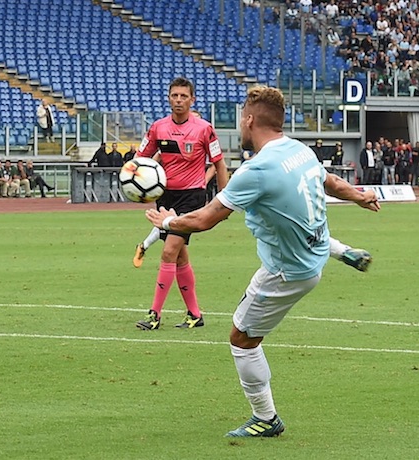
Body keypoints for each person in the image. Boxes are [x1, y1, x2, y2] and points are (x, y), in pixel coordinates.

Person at [144, 85, 380, 437]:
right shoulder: (299, 150)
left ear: (250, 119)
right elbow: (329, 181)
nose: (241, 124)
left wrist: (165, 222)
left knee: (241, 337)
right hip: (311, 252)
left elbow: (205, 219)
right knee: (291, 225)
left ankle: (266, 418)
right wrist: (359, 196)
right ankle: (343, 251)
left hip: (287, 273)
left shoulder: (256, 171)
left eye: (242, 117)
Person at [132, 77, 229, 330]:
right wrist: (134, 182)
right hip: (166, 196)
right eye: (174, 95)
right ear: (168, 98)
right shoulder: (157, 128)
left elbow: (219, 163)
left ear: (192, 100)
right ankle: (195, 314)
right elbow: (139, 159)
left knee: (168, 251)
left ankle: (154, 314)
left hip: (192, 196)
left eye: (183, 96)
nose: (178, 100)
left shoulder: (204, 129)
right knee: (179, 256)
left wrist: (225, 199)